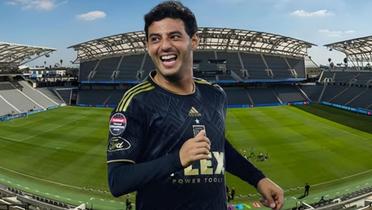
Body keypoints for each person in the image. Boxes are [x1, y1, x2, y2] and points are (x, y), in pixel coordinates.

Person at [107, 1, 284, 210]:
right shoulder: (135, 102)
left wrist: (258, 178)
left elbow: (218, 146)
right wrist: (177, 159)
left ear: (194, 41)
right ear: (148, 46)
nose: (164, 46)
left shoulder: (215, 94)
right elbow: (118, 180)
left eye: (174, 36)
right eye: (155, 39)